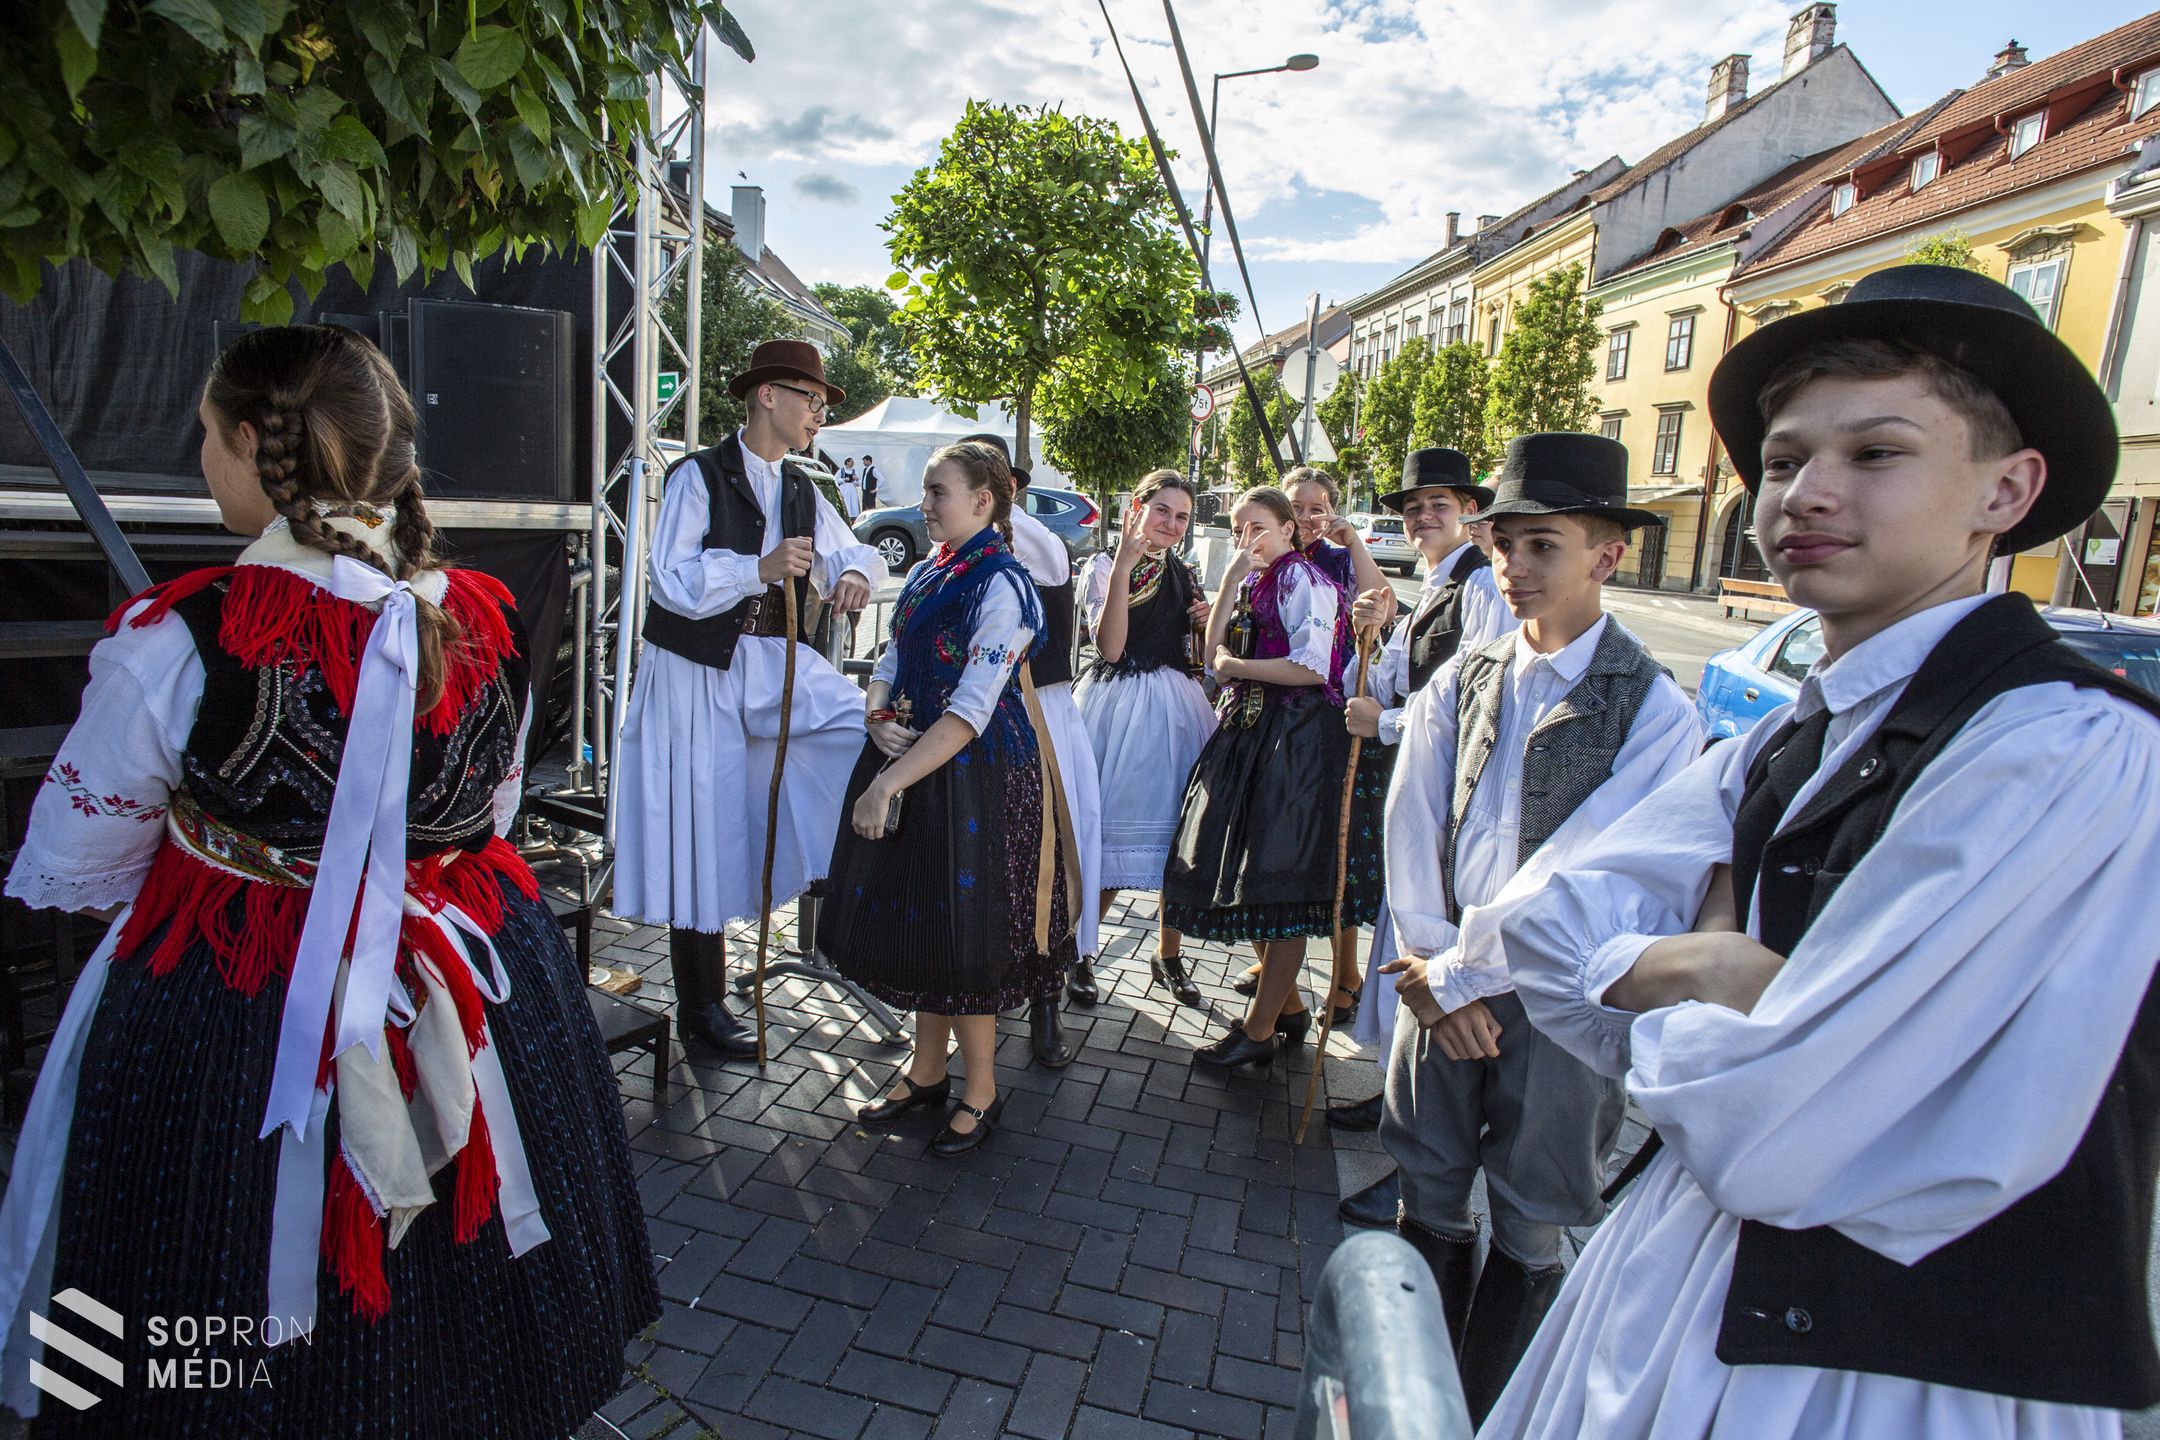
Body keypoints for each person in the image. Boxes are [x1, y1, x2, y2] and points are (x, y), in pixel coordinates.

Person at [1480, 265, 2160, 1439]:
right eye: (1786, 462)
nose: (1805, 494)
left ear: (2007, 489)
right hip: (1694, 1301)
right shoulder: (1799, 736)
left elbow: (1779, 1129)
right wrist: (1702, 969)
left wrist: (1667, 994)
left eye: (1876, 455)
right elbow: (1539, 915)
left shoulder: (2067, 747)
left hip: (1900, 1380)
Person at [0, 325, 657, 1435]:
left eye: (207, 435)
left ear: (258, 443)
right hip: (481, 979)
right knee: (466, 1287)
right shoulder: (482, 624)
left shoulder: (182, 641)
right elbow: (487, 817)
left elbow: (84, 858)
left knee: (204, 1279)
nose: (201, 454)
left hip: (239, 1017)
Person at [1375, 432, 1700, 1424]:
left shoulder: (1655, 710)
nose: (1513, 566)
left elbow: (1600, 870)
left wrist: (1466, 972)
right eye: (1505, 542)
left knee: (1532, 1208)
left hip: (1562, 1004)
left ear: (1606, 555)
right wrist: (1430, 968)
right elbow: (1412, 821)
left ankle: (1490, 1408)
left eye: (1541, 545)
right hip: (1440, 980)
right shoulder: (1466, 678)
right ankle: (1416, 1404)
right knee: (1427, 1185)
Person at [611, 339, 882, 1061]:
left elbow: (853, 549)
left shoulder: (799, 487)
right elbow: (669, 578)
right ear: (768, 395)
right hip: (697, 669)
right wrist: (753, 568)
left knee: (859, 731)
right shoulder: (698, 476)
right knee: (701, 822)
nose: (820, 414)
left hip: (766, 660)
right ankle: (700, 1002)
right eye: (812, 399)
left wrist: (853, 573)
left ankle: (824, 880)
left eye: (825, 404)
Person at [819, 441, 1079, 1155]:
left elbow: (971, 710)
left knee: (970, 933)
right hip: (919, 763)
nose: (926, 504)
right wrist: (877, 713)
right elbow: (895, 652)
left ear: (983, 501)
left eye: (938, 491)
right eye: (929, 491)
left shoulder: (1004, 583)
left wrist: (884, 783)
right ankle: (926, 1071)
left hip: (978, 776)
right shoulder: (934, 568)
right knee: (928, 923)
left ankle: (982, 1090)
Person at [1326, 449, 1515, 1231]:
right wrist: (1371, 638)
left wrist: (1387, 722)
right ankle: (1395, 1092)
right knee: (1401, 947)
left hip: (1456, 807)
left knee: (1427, 952)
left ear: (1471, 510)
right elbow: (1380, 683)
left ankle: (1420, 1173)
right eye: (1411, 506)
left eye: (1438, 503)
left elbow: (1475, 705)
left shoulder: (1481, 587)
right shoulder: (1433, 586)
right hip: (1417, 800)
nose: (1421, 517)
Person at [1165, 485, 1353, 1067]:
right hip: (1253, 730)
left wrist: (1237, 667)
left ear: (1289, 530)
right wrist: (1227, 584)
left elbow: (1310, 667)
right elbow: (1213, 652)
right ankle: (1287, 1009)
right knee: (1242, 870)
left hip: (1296, 739)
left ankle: (1258, 1030)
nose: (1247, 538)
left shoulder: (1306, 582)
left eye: (1259, 528)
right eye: (1239, 527)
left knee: (1278, 880)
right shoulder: (1256, 581)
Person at [956, 432, 1102, 1068]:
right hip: (973, 720)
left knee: (1045, 857)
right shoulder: (954, 550)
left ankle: (1045, 1000)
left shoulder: (1037, 544)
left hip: (1036, 712)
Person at [1230, 466, 1395, 1018]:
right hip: (1274, 709)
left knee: (1329, 854)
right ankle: (1282, 967)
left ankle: (1345, 976)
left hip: (1332, 708)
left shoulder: (1330, 563)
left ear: (1331, 512)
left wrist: (1350, 543)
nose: (1304, 518)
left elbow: (1378, 602)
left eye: (1315, 509)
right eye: (1295, 507)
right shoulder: (1267, 562)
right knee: (1282, 853)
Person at [1073, 469, 1217, 1008]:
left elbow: (1199, 661)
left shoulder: (1184, 571)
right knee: (1109, 837)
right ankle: (1081, 951)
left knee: (1176, 840)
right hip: (1117, 707)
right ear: (1138, 506)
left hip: (1177, 711)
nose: (1172, 524)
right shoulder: (1105, 565)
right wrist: (1125, 569)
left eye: (1181, 516)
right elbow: (1110, 649)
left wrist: (1204, 624)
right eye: (1163, 511)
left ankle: (1168, 953)